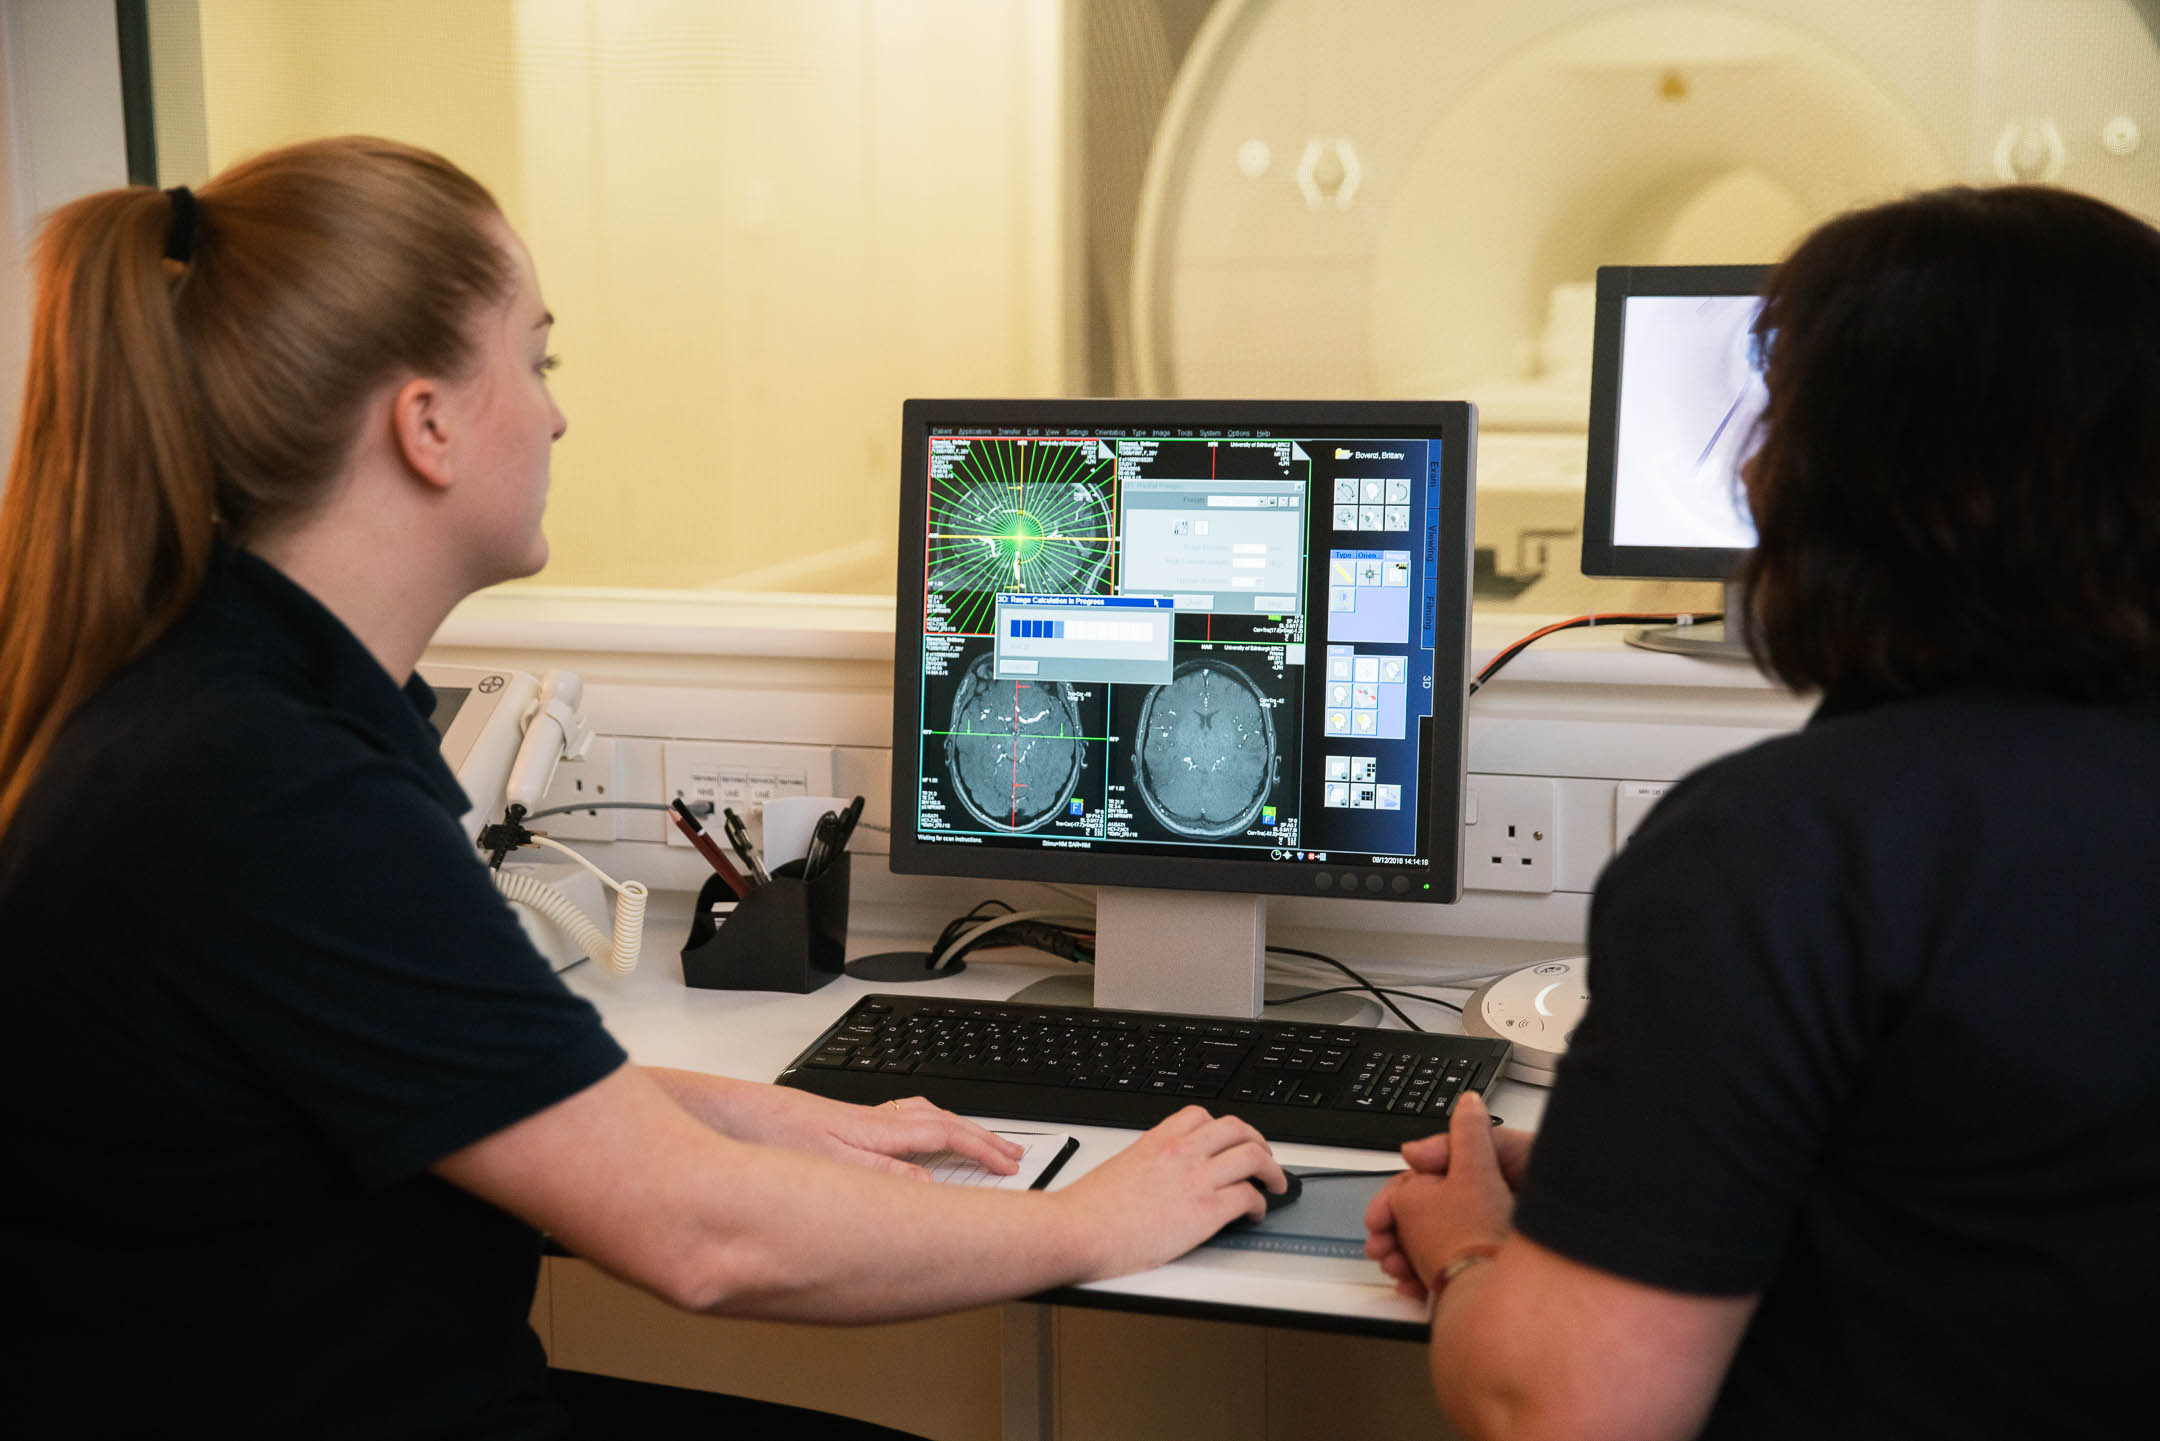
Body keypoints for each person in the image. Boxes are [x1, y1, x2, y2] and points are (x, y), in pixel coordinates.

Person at [0, 136, 1285, 1439]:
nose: (556, 413)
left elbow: (446, 1073)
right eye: (537, 359)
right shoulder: (271, 792)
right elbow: (704, 1241)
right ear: (427, 422)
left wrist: (758, 1117)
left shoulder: (214, 704)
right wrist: (1089, 1222)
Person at [1364, 184, 2160, 1440]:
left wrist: (1474, 1249)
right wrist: (1626, 1188)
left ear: (1826, 485)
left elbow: (1557, 1407)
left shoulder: (1786, 851)